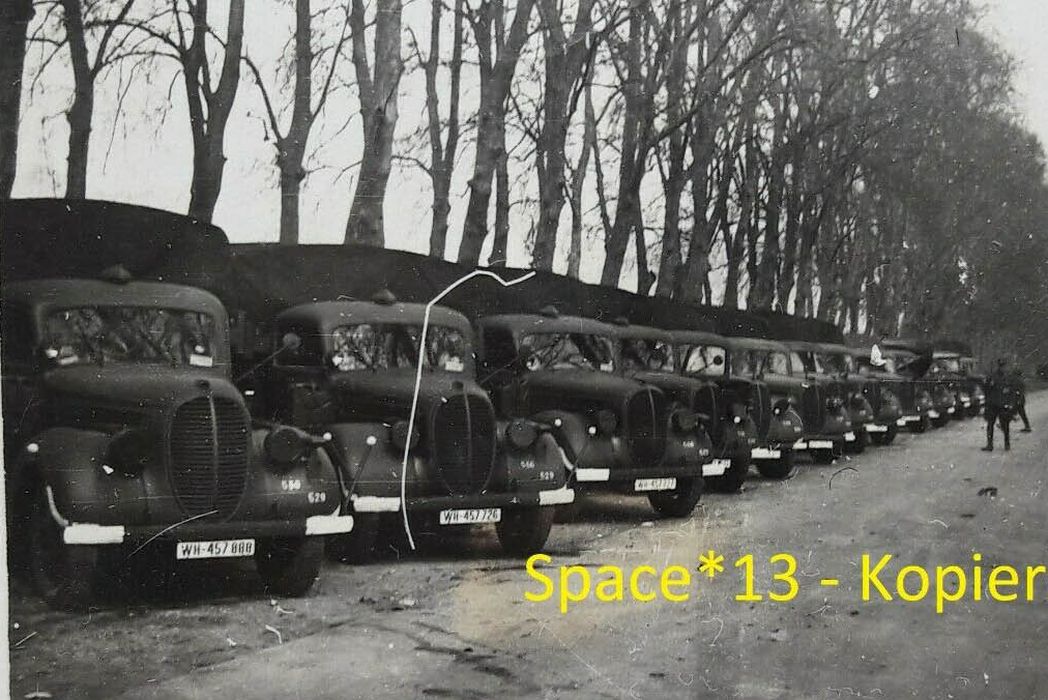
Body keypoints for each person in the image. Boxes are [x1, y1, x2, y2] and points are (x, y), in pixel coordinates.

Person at [982, 358, 1012, 451]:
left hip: (999, 404)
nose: (1003, 368)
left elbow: (1011, 390)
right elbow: (986, 389)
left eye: (1003, 366)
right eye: (1002, 366)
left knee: (1003, 425)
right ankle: (991, 444)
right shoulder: (999, 377)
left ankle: (1005, 444)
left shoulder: (999, 377)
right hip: (995, 404)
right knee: (992, 424)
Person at [1010, 367, 1032, 433]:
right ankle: (1027, 426)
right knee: (1019, 413)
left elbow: (1020, 391)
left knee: (1017, 412)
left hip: (1018, 400)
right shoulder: (1020, 380)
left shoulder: (1018, 381)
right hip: (1019, 399)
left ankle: (1027, 426)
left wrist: (1019, 399)